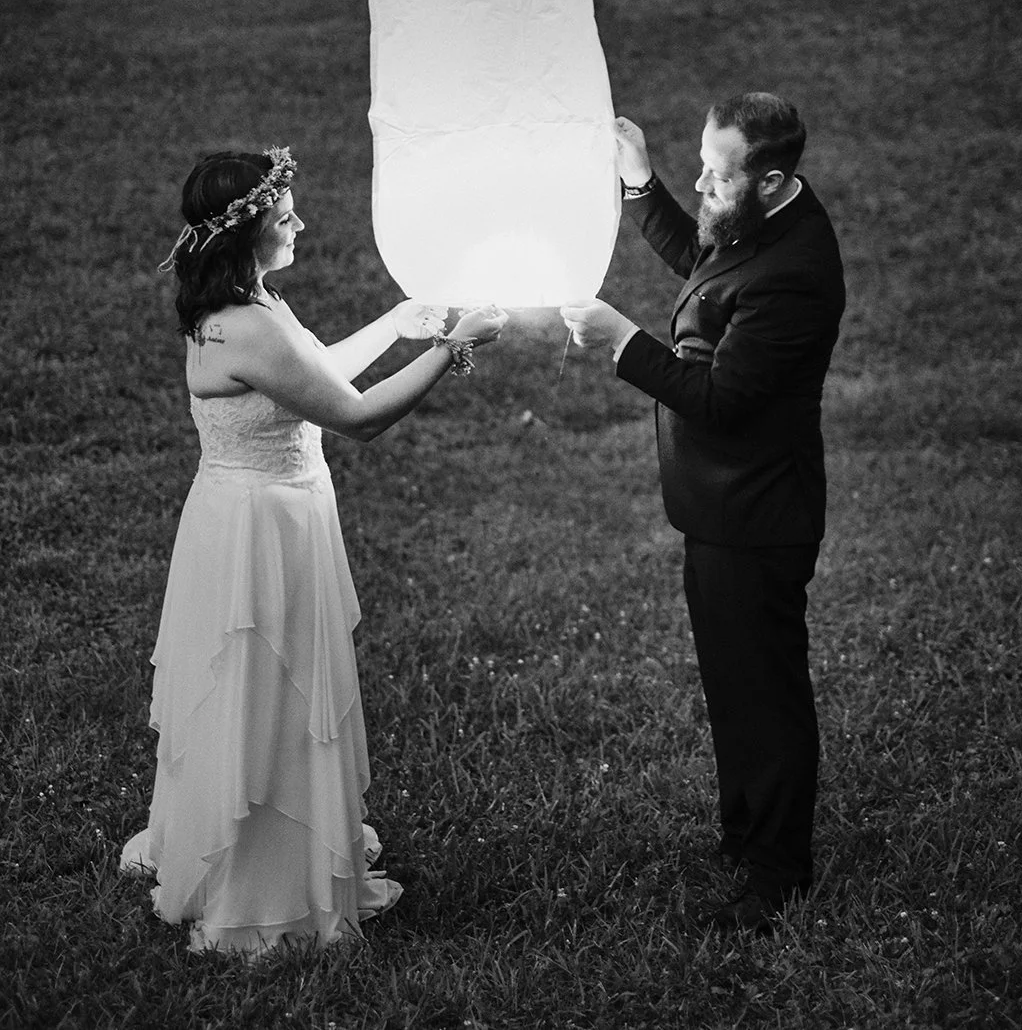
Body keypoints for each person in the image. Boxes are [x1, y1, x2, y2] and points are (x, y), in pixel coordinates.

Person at [120, 145, 506, 956]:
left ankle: (260, 831)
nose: (298, 221)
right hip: (259, 532)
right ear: (246, 231)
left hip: (264, 513)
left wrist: (397, 325)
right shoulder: (247, 324)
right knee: (265, 685)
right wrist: (454, 346)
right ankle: (263, 876)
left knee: (273, 688)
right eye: (284, 214)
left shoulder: (247, 302)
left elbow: (314, 377)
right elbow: (356, 417)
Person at [561, 93, 845, 935]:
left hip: (757, 516)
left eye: (716, 176)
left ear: (771, 179)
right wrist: (642, 183)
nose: (702, 183)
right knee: (732, 687)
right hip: (719, 510)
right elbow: (703, 263)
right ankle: (743, 833)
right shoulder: (755, 222)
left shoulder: (794, 273)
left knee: (764, 696)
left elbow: (719, 399)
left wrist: (621, 339)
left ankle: (775, 875)